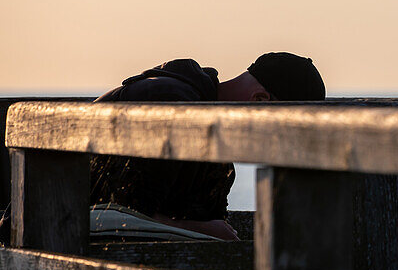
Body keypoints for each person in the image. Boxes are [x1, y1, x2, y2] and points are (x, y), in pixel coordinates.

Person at [90, 52, 325, 241]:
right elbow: (118, 213)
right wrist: (204, 231)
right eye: (278, 133)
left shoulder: (215, 151)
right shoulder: (172, 107)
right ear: (260, 101)